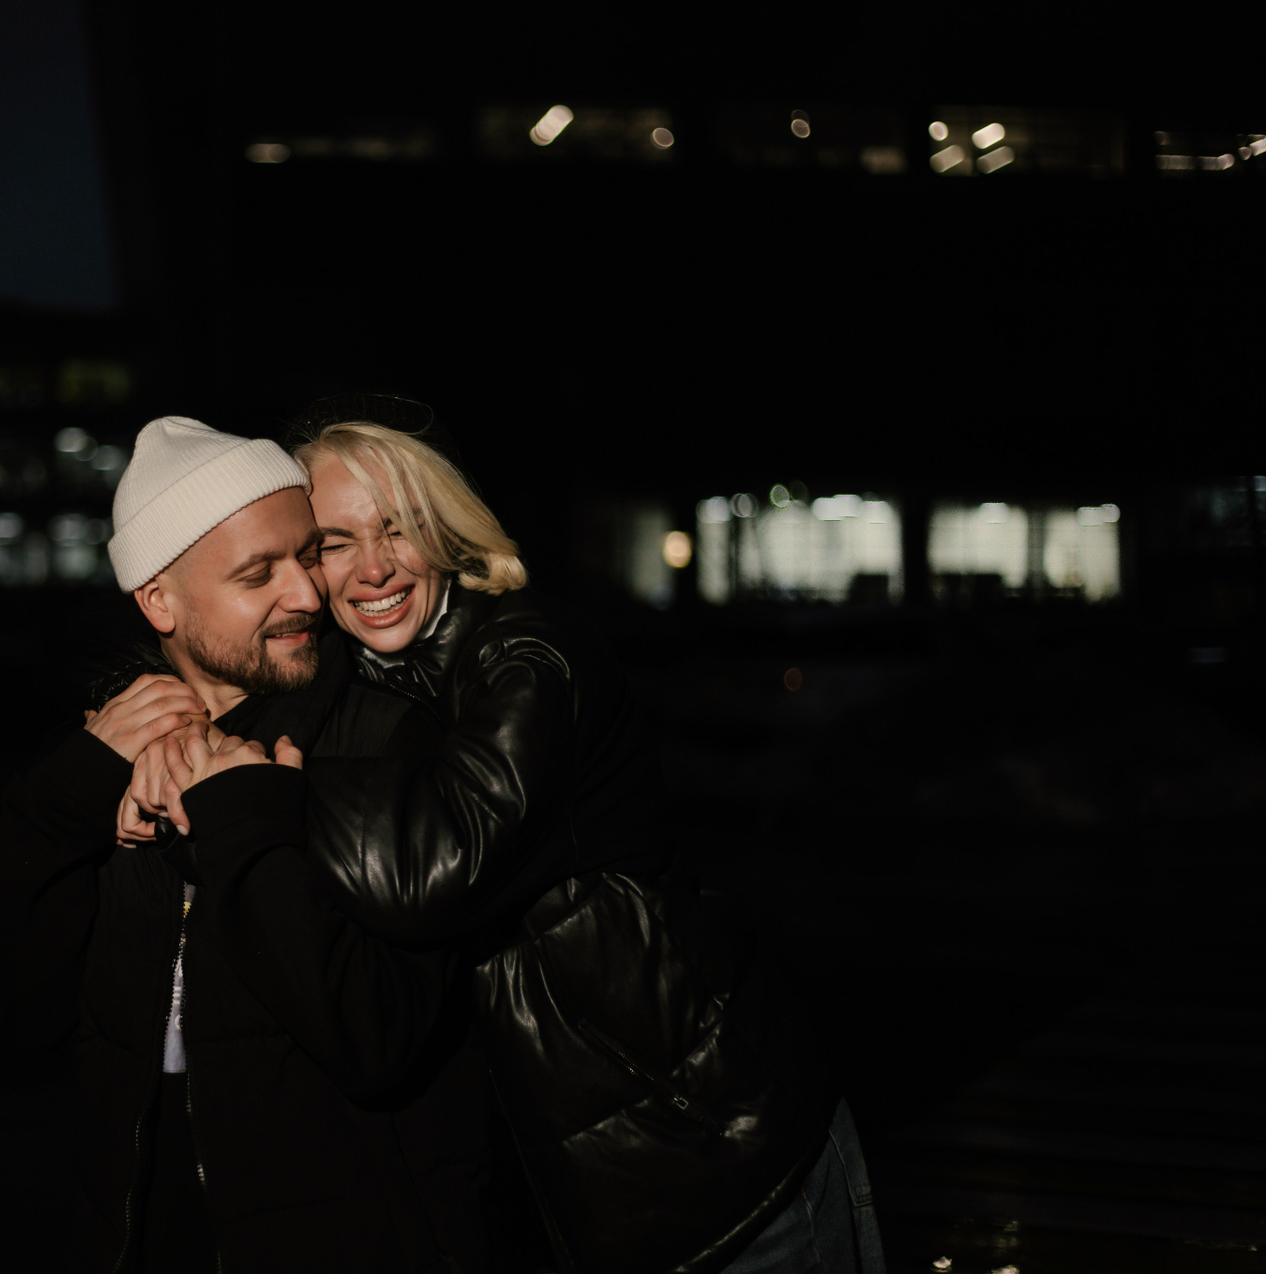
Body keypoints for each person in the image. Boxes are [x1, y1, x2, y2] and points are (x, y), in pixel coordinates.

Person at [126, 412, 886, 1272]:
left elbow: (433, 868)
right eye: (334, 543)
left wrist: (243, 792)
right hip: (599, 1189)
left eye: (398, 528)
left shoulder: (529, 659)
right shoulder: (379, 675)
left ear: (445, 529)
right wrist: (162, 726)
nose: (373, 567)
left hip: (718, 1146)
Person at [0, 416, 491, 1274]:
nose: (308, 594)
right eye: (258, 574)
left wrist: (242, 816)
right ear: (159, 601)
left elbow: (379, 1043)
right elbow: (9, 1022)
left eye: (308, 555)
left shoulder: (384, 743)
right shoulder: (104, 757)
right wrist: (63, 802)